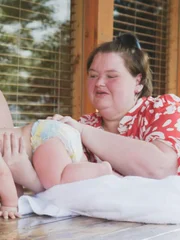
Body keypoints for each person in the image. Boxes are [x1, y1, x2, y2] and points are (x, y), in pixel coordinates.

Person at [49, 32, 180, 179]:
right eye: (93, 75)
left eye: (111, 76)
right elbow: (61, 181)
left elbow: (160, 168)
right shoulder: (85, 123)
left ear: (138, 82)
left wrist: (84, 132)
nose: (99, 83)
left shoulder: (164, 109)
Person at [0, 114, 112, 219]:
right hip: (52, 132)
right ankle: (92, 168)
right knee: (73, 173)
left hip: (43, 137)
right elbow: (10, 175)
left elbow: (3, 174)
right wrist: (16, 198)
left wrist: (9, 205)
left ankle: (101, 169)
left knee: (56, 182)